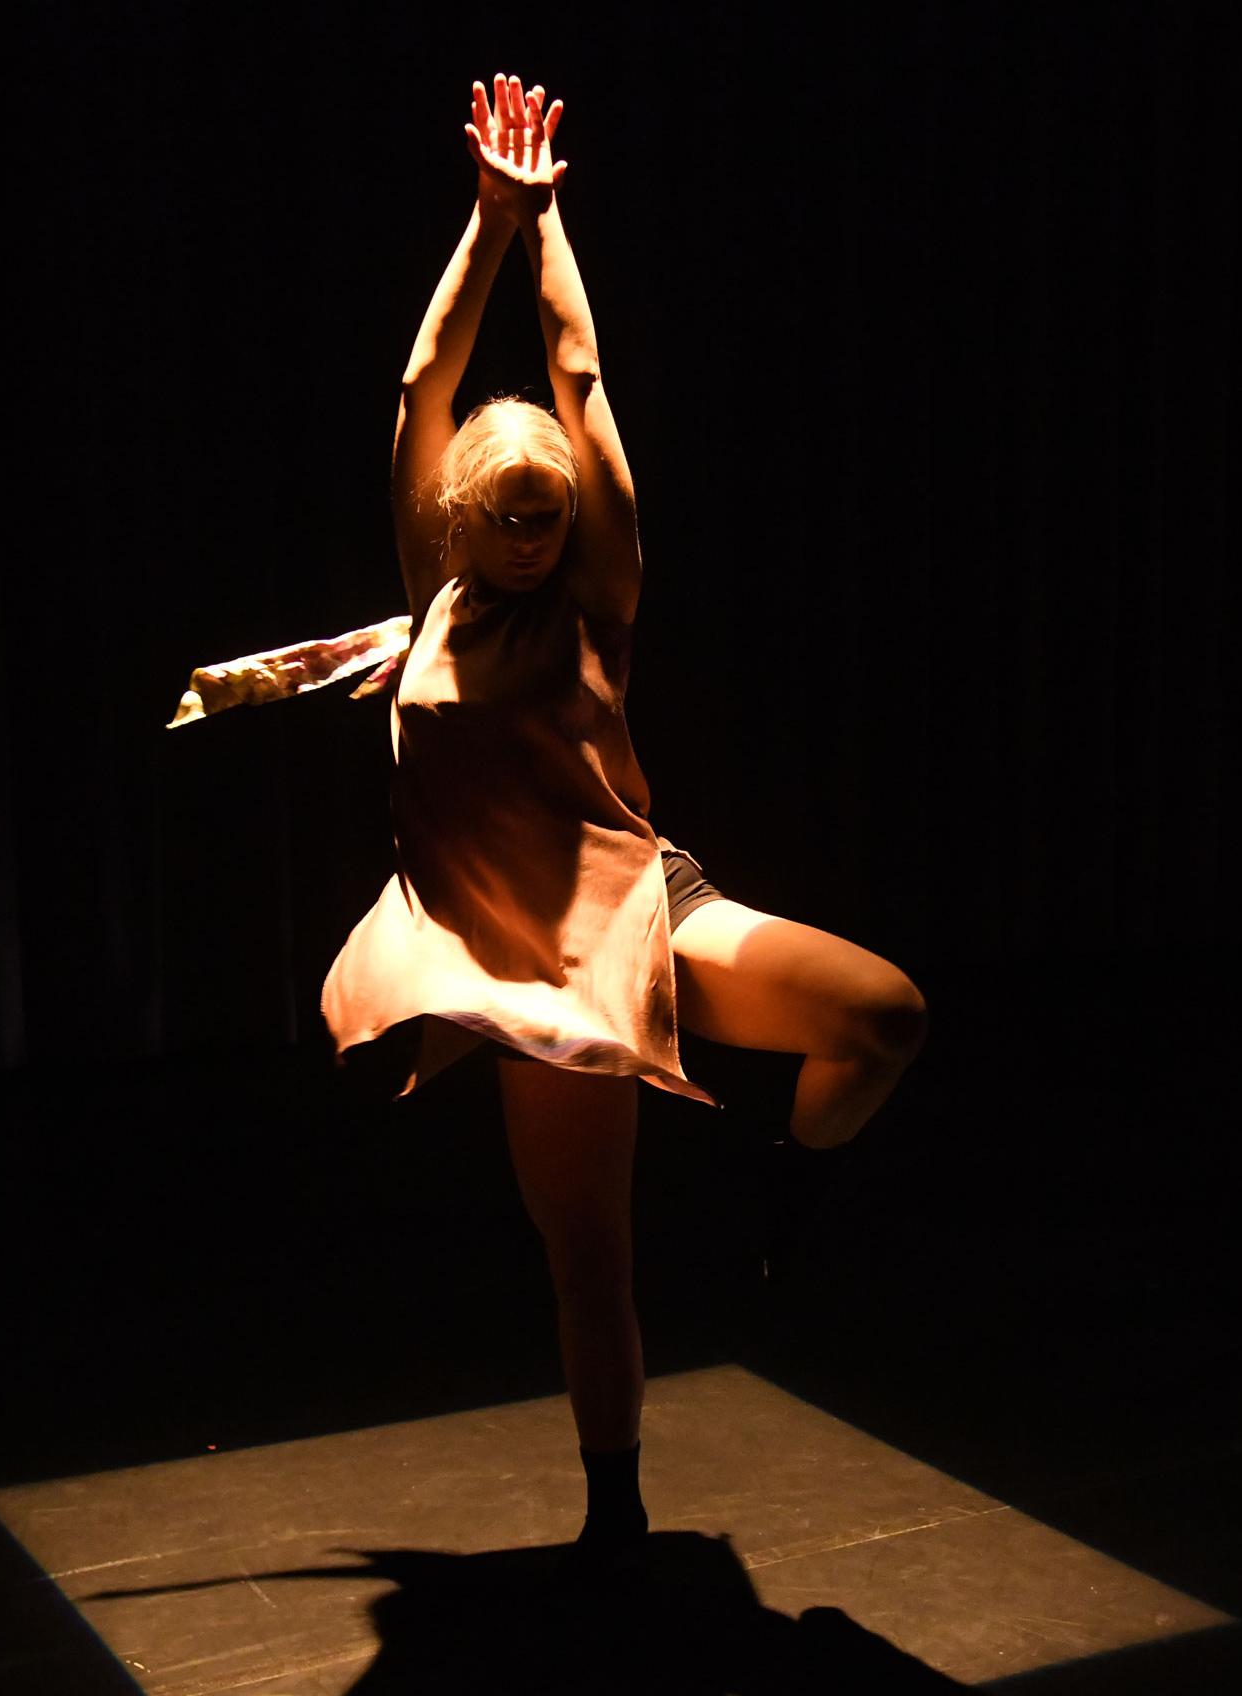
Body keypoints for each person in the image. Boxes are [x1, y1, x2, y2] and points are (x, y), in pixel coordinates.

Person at [319, 73, 930, 1573]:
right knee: (589, 1258)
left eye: (551, 515)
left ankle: (790, 1181)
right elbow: (421, 392)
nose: (534, 534)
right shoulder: (437, 590)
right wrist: (483, 225)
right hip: (528, 981)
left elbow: (579, 381)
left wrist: (551, 227)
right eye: (509, 515)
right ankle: (619, 1518)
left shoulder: (600, 592)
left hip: (643, 907)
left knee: (883, 1016)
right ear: (462, 518)